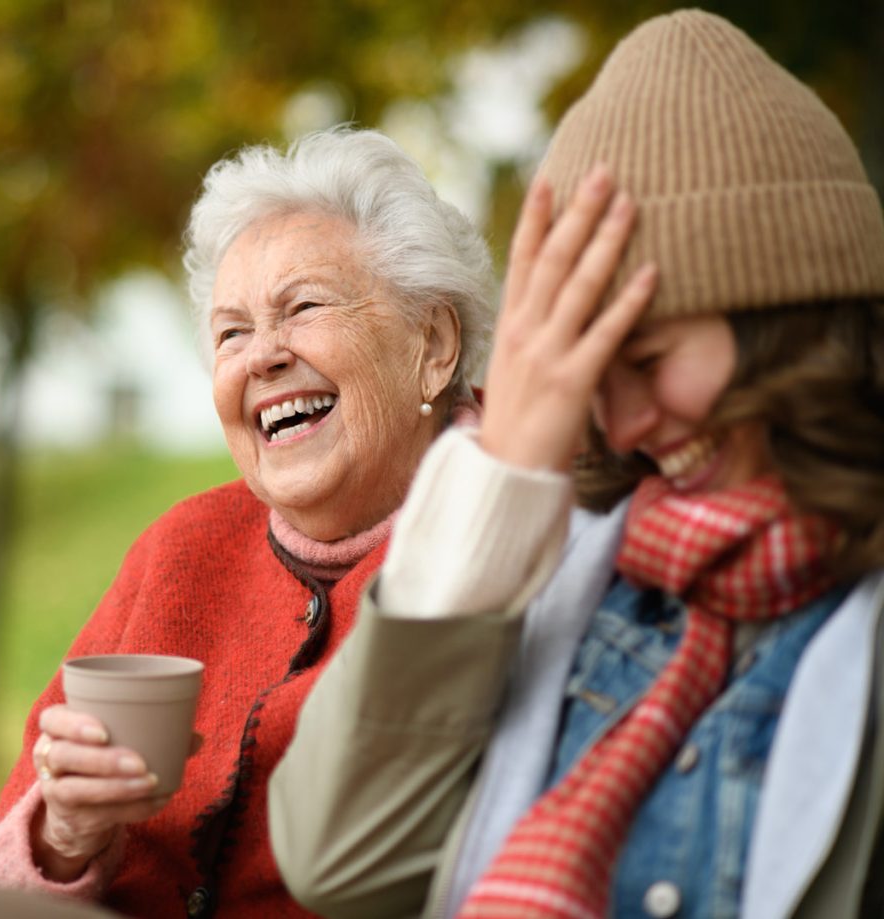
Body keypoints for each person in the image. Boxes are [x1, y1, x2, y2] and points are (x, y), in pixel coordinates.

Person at [268, 11, 884, 919]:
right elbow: (341, 864)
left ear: (790, 330)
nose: (627, 424)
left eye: (650, 359)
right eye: (592, 375)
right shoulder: (575, 570)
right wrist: (497, 486)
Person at [0, 127, 496, 918]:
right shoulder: (184, 548)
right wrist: (63, 834)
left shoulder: (522, 536)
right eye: (231, 332)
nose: (262, 356)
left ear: (434, 343)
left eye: (303, 306)